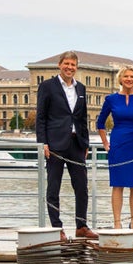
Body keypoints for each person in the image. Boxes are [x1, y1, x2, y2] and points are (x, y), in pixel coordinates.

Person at [36, 51, 97, 239]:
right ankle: (57, 228)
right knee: (53, 187)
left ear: (76, 67)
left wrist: (85, 143)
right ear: (59, 65)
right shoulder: (47, 86)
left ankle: (81, 226)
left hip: (76, 143)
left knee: (82, 187)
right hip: (55, 144)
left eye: (73, 65)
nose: (70, 67)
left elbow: (82, 117)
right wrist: (43, 143)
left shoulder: (81, 88)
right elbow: (41, 117)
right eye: (67, 64)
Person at [96, 66, 133, 229]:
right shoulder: (111, 99)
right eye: (126, 76)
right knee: (117, 184)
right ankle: (117, 223)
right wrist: (105, 143)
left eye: (132, 76)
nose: (129, 79)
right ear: (120, 79)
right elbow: (100, 123)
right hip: (118, 143)